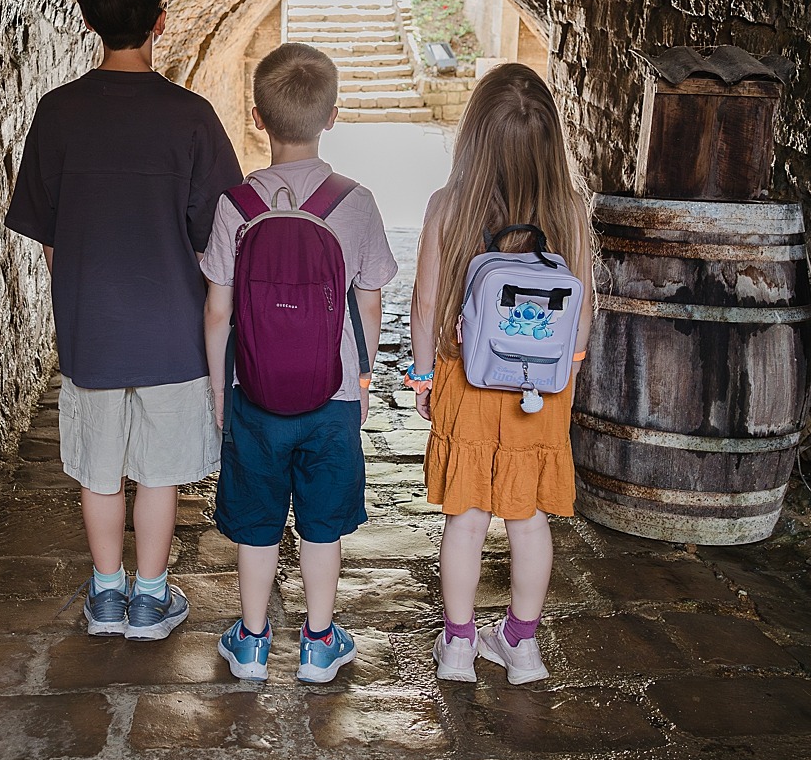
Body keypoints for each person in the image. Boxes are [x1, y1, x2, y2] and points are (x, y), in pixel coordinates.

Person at [5, 0, 243, 641]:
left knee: (99, 469)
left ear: (89, 21)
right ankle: (149, 596)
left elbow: (48, 236)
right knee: (160, 473)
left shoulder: (57, 112)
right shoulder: (192, 118)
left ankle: (105, 594)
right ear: (161, 21)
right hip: (172, 330)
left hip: (91, 331)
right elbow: (217, 238)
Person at [201, 43, 396, 682]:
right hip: (332, 395)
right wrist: (363, 382)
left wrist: (219, 390)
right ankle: (318, 641)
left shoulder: (237, 206)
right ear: (333, 116)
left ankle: (252, 643)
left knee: (257, 523)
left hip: (253, 393)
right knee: (321, 522)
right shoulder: (355, 203)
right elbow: (368, 307)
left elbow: (217, 312)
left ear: (257, 118)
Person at [405, 63, 592, 684]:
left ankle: (459, 645)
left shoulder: (449, 204)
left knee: (466, 517)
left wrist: (425, 374)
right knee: (529, 517)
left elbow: (428, 304)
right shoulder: (569, 208)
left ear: (473, 136)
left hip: (468, 381)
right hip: (543, 390)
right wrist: (568, 365)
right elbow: (583, 307)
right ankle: (522, 644)